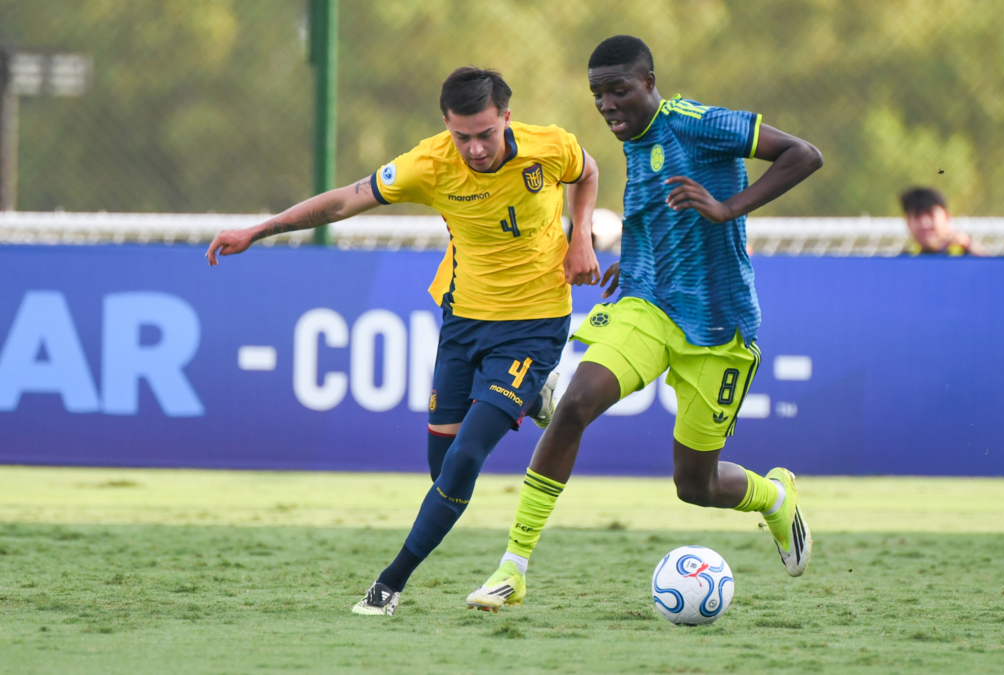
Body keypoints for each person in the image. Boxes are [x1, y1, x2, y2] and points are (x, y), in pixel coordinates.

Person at [205, 67, 601, 616]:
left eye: (485, 133)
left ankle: (389, 585)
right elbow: (346, 200)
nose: (476, 148)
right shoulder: (429, 164)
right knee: (442, 471)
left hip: (534, 323)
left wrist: (581, 234)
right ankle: (535, 397)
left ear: (506, 118)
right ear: (446, 126)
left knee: (464, 459)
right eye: (462, 136)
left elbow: (588, 172)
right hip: (463, 321)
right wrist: (257, 230)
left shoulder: (549, 147)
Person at [466, 35, 824, 613]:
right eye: (597, 95)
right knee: (576, 403)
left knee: (695, 487)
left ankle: (774, 497)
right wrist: (631, 263)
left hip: (720, 328)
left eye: (619, 91)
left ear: (650, 84)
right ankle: (514, 569)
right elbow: (654, 207)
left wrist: (730, 207)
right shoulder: (632, 138)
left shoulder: (697, 123)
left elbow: (804, 154)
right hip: (649, 304)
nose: (607, 105)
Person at [900, 187, 986, 256]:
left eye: (931, 214)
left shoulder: (967, 255)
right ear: (908, 222)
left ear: (946, 217)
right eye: (917, 216)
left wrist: (969, 244)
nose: (924, 224)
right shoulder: (905, 260)